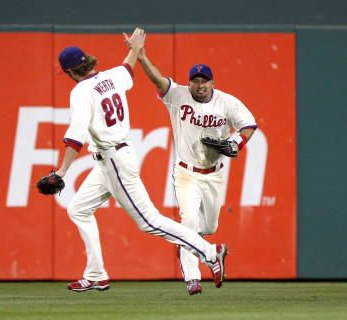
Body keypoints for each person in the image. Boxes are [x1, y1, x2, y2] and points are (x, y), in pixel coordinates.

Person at [54, 28, 227, 293]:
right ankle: (97, 274)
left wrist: (61, 172)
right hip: (113, 158)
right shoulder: (112, 76)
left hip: (114, 159)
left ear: (68, 72)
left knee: (150, 221)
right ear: (87, 62)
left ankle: (210, 252)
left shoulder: (80, 92)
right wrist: (135, 48)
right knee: (78, 209)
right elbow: (129, 67)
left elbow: (75, 137)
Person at [132, 38, 257, 295]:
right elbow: (158, 80)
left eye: (204, 80)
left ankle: (201, 245)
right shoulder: (178, 95)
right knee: (188, 221)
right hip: (186, 171)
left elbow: (249, 124)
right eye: (195, 81)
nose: (200, 85)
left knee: (209, 227)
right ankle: (193, 277)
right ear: (189, 83)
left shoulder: (226, 102)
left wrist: (236, 142)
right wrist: (142, 56)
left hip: (214, 173)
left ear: (213, 82)